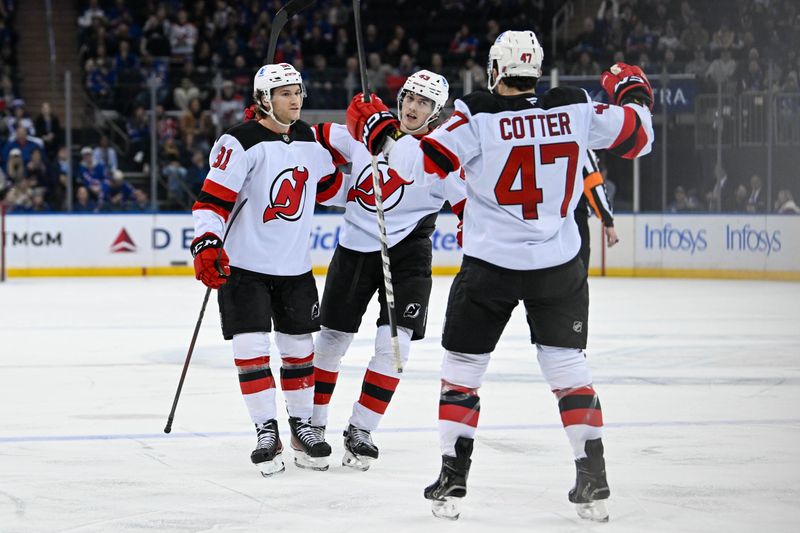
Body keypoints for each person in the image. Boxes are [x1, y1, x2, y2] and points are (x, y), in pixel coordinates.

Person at [347, 30, 654, 521]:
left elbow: (420, 166)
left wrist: (381, 132)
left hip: (490, 268)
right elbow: (640, 136)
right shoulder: (574, 108)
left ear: (495, 71)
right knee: (568, 369)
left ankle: (453, 474)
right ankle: (592, 473)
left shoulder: (477, 115)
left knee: (463, 371)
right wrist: (632, 91)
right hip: (557, 265)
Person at [309, 70, 466, 470]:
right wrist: (267, 130)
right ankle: (313, 424)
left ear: (436, 111)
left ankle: (362, 428)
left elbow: (468, 203)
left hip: (408, 254)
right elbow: (310, 137)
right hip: (354, 250)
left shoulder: (439, 152)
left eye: (423, 103)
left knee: (395, 348)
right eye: (410, 97)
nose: (413, 107)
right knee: (331, 342)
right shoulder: (367, 127)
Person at [190, 62, 342, 477]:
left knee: (298, 352)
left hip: (294, 269)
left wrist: (372, 159)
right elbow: (211, 202)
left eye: (298, 92)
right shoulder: (239, 142)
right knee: (250, 350)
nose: (296, 100)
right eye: (286, 93)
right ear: (263, 100)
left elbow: (332, 190)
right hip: (244, 269)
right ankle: (265, 429)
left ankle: (301, 427)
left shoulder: (309, 139)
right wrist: (206, 242)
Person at [574, 150, 618, 272]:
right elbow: (594, 185)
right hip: (574, 222)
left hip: (540, 223)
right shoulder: (581, 148)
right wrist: (608, 222)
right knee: (577, 282)